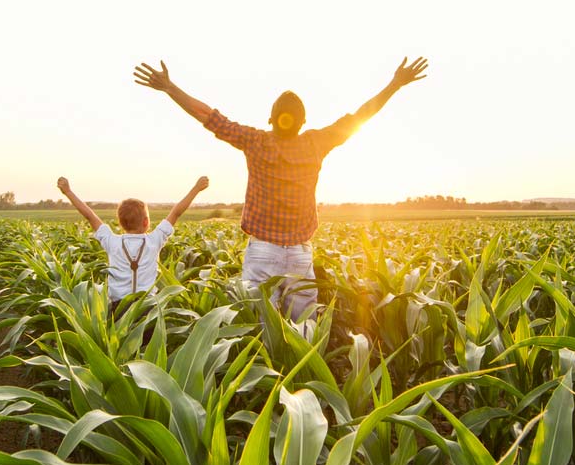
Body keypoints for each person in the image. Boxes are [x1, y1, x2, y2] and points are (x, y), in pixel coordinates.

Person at [133, 57, 429, 320]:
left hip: (262, 252)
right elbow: (360, 116)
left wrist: (170, 88)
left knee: (262, 330)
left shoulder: (255, 141)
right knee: (304, 330)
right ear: (303, 123)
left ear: (271, 120)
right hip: (300, 255)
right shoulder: (316, 143)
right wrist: (394, 84)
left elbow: (208, 116)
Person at [57, 175, 210, 312]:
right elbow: (176, 212)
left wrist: (68, 192)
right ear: (145, 222)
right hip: (148, 306)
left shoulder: (112, 242)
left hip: (119, 308)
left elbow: (90, 216)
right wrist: (196, 189)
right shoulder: (154, 240)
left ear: (120, 222)